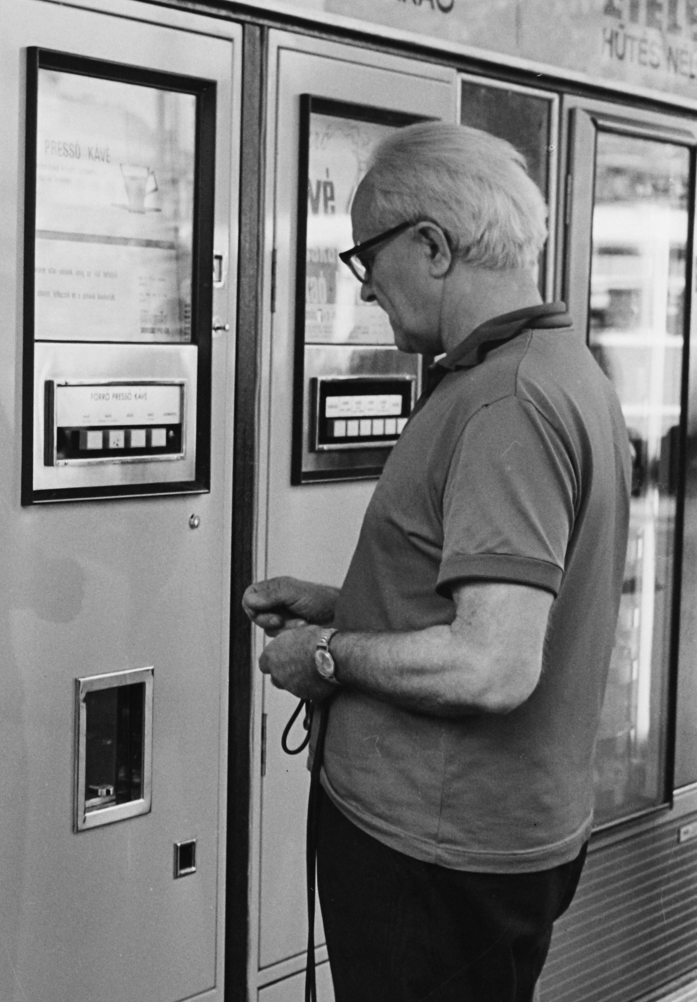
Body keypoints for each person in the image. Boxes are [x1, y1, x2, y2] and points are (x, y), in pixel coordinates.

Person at [244, 121, 631, 1002]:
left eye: (366, 260)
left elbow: (493, 661)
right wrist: (341, 602)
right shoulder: (556, 369)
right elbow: (498, 602)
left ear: (432, 244)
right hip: (477, 836)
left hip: (440, 848)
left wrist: (326, 654)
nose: (368, 287)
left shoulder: (509, 402)